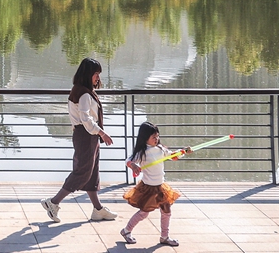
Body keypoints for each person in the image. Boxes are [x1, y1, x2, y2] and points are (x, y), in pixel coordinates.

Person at [39, 58, 117, 223]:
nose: (98, 77)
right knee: (82, 172)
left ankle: (98, 209)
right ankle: (53, 202)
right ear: (88, 74)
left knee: (92, 173)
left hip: (88, 136)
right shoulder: (83, 94)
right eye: (96, 74)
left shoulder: (81, 90)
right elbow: (86, 119)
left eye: (98, 74)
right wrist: (102, 133)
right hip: (86, 136)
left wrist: (98, 134)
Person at [120, 121, 189, 247]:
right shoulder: (142, 152)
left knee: (166, 211)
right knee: (144, 213)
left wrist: (182, 152)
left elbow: (172, 156)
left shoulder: (160, 149)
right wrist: (134, 165)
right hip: (149, 188)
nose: (156, 139)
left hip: (161, 187)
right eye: (153, 137)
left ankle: (164, 237)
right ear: (145, 138)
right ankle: (126, 231)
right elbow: (128, 160)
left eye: (157, 136)